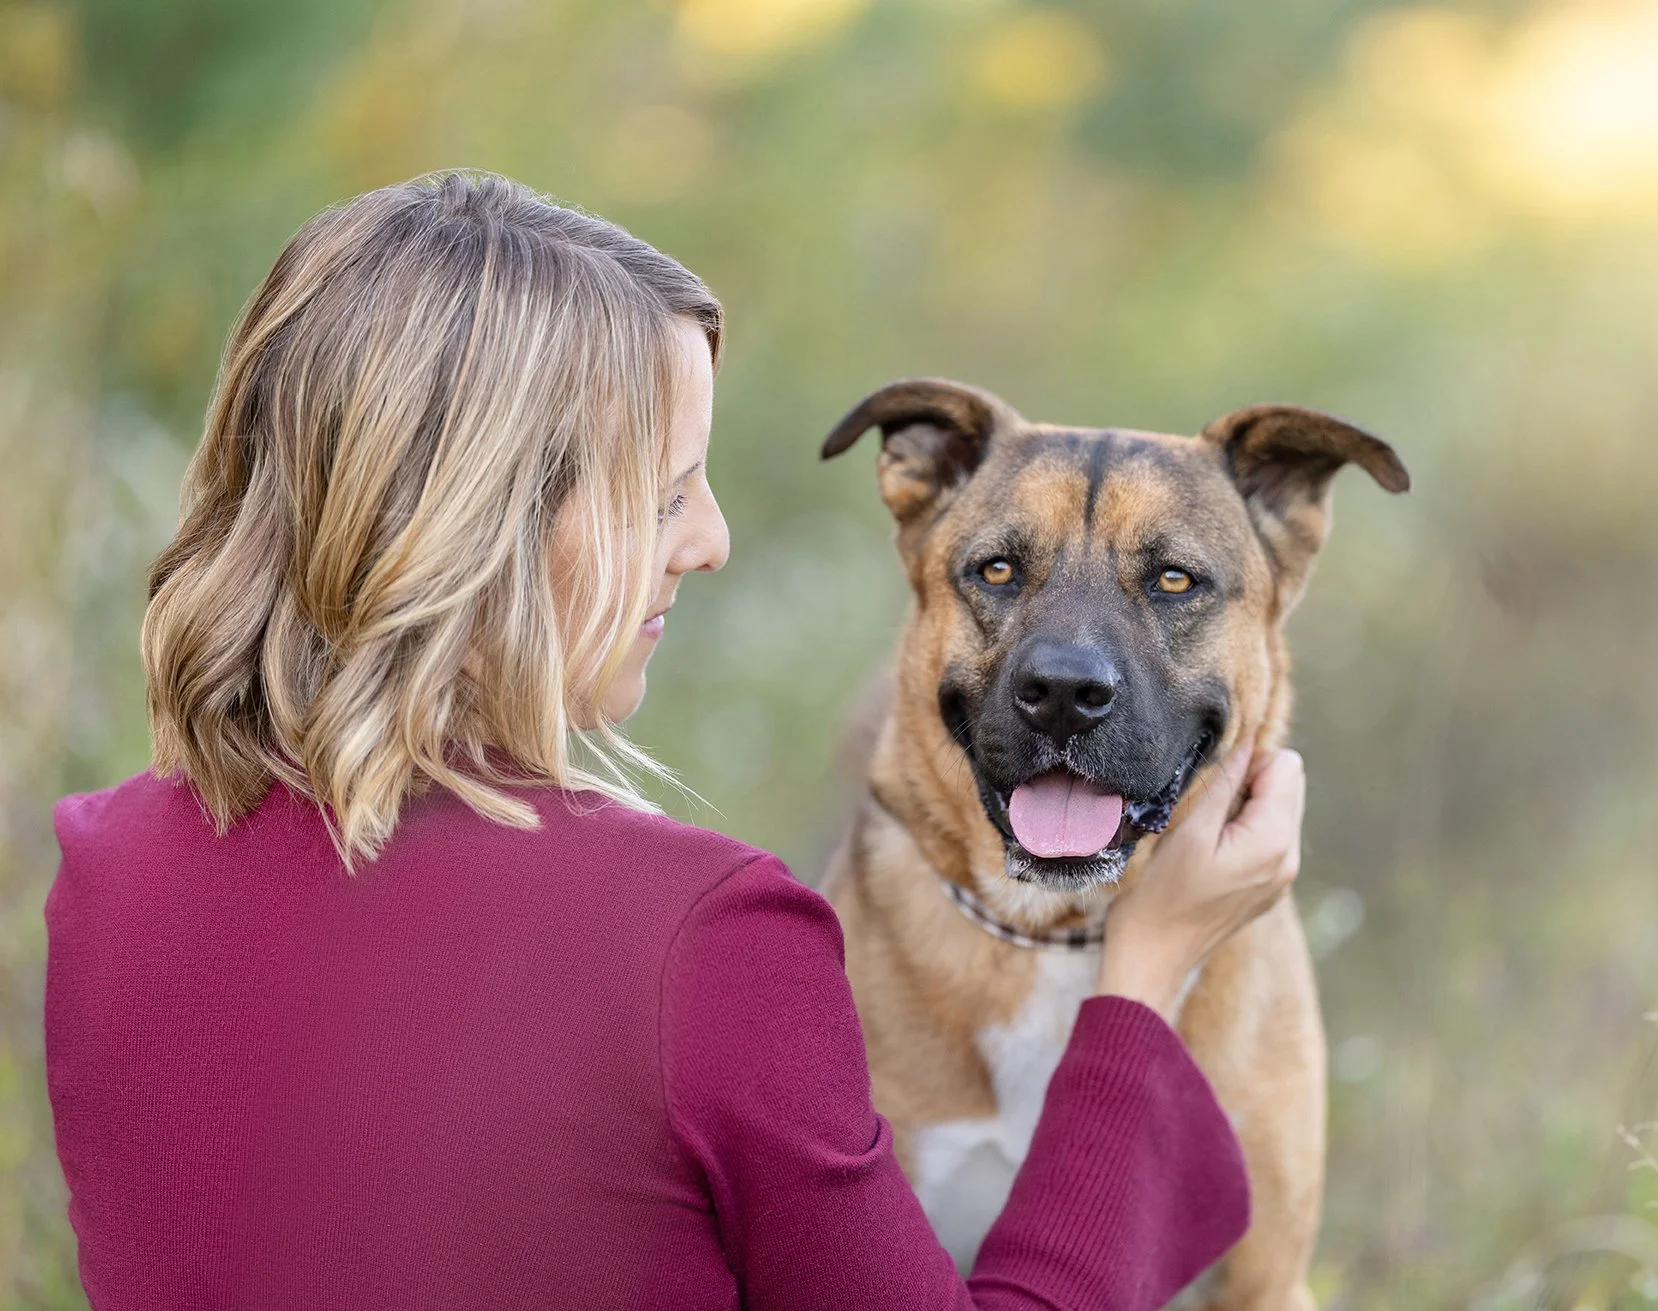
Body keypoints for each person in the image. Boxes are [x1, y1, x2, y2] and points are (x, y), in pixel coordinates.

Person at [44, 171, 1309, 1310]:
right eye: (663, 493)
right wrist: (1143, 977)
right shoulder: (700, 935)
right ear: (492, 527)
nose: (708, 539)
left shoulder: (102, 872)